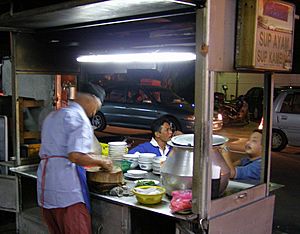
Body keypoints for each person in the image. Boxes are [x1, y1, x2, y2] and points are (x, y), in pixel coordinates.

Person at [37, 92, 113, 234]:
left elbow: (61, 149)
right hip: (67, 192)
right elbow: (75, 156)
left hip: (46, 187)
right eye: (97, 106)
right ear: (89, 98)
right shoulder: (78, 117)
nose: (95, 112)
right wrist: (102, 162)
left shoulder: (53, 115)